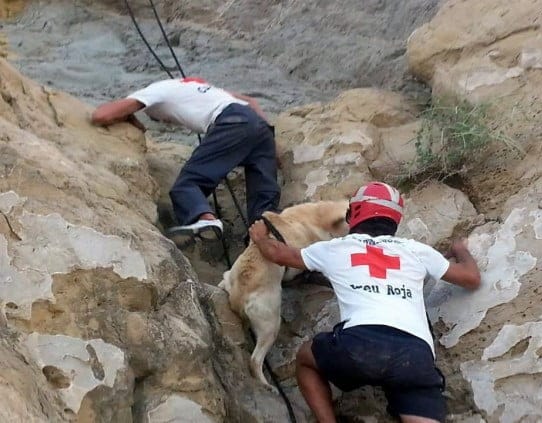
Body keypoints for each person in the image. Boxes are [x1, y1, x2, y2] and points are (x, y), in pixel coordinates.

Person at [248, 181, 481, 423]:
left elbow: (280, 254)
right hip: (415, 355)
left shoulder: (338, 247)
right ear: (395, 220)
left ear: (354, 214)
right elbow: (471, 278)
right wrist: (459, 249)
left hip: (360, 346)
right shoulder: (416, 250)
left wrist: (261, 237)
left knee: (306, 358)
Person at [91, 77, 280, 241]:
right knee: (263, 210)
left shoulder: (153, 92)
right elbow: (251, 102)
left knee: (188, 184)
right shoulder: (195, 86)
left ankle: (204, 220)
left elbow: (102, 115)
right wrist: (268, 141)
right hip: (261, 128)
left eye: (160, 118)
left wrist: (126, 113)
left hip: (232, 122)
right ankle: (274, 246)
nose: (167, 122)